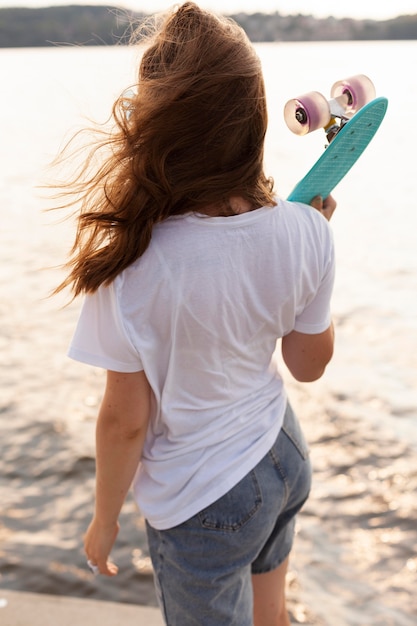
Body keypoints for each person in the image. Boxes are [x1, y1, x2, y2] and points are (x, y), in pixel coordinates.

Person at [56, 3, 336, 624]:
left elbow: (125, 422)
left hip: (205, 500)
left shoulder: (129, 267)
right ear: (254, 121)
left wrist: (105, 521)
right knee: (273, 615)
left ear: (154, 128)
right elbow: (308, 365)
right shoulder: (305, 229)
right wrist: (313, 250)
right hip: (282, 451)